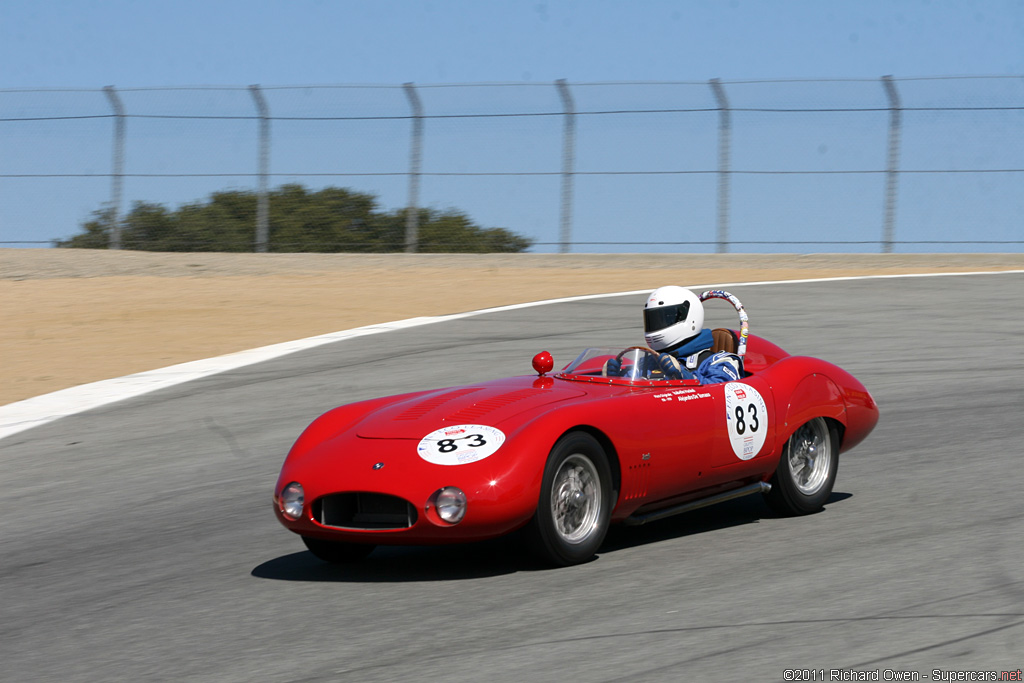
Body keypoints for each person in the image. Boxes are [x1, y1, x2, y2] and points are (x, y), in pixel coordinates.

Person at [612, 285, 743, 383]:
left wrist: (685, 377)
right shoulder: (649, 361)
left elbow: (723, 392)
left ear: (689, 316)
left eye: (665, 318)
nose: (658, 323)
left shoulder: (719, 361)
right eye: (654, 319)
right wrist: (614, 377)